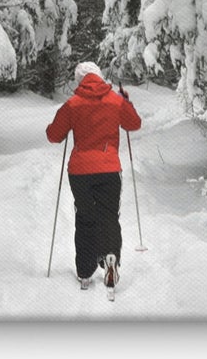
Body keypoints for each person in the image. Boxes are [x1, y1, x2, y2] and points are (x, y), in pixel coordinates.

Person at [46, 62, 141, 295]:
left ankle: (86, 271)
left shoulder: (73, 104)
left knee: (86, 217)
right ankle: (110, 258)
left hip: (80, 173)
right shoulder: (115, 100)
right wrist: (126, 102)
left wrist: (66, 123)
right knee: (109, 215)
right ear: (99, 77)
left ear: (80, 80)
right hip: (109, 169)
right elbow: (134, 124)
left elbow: (53, 135)